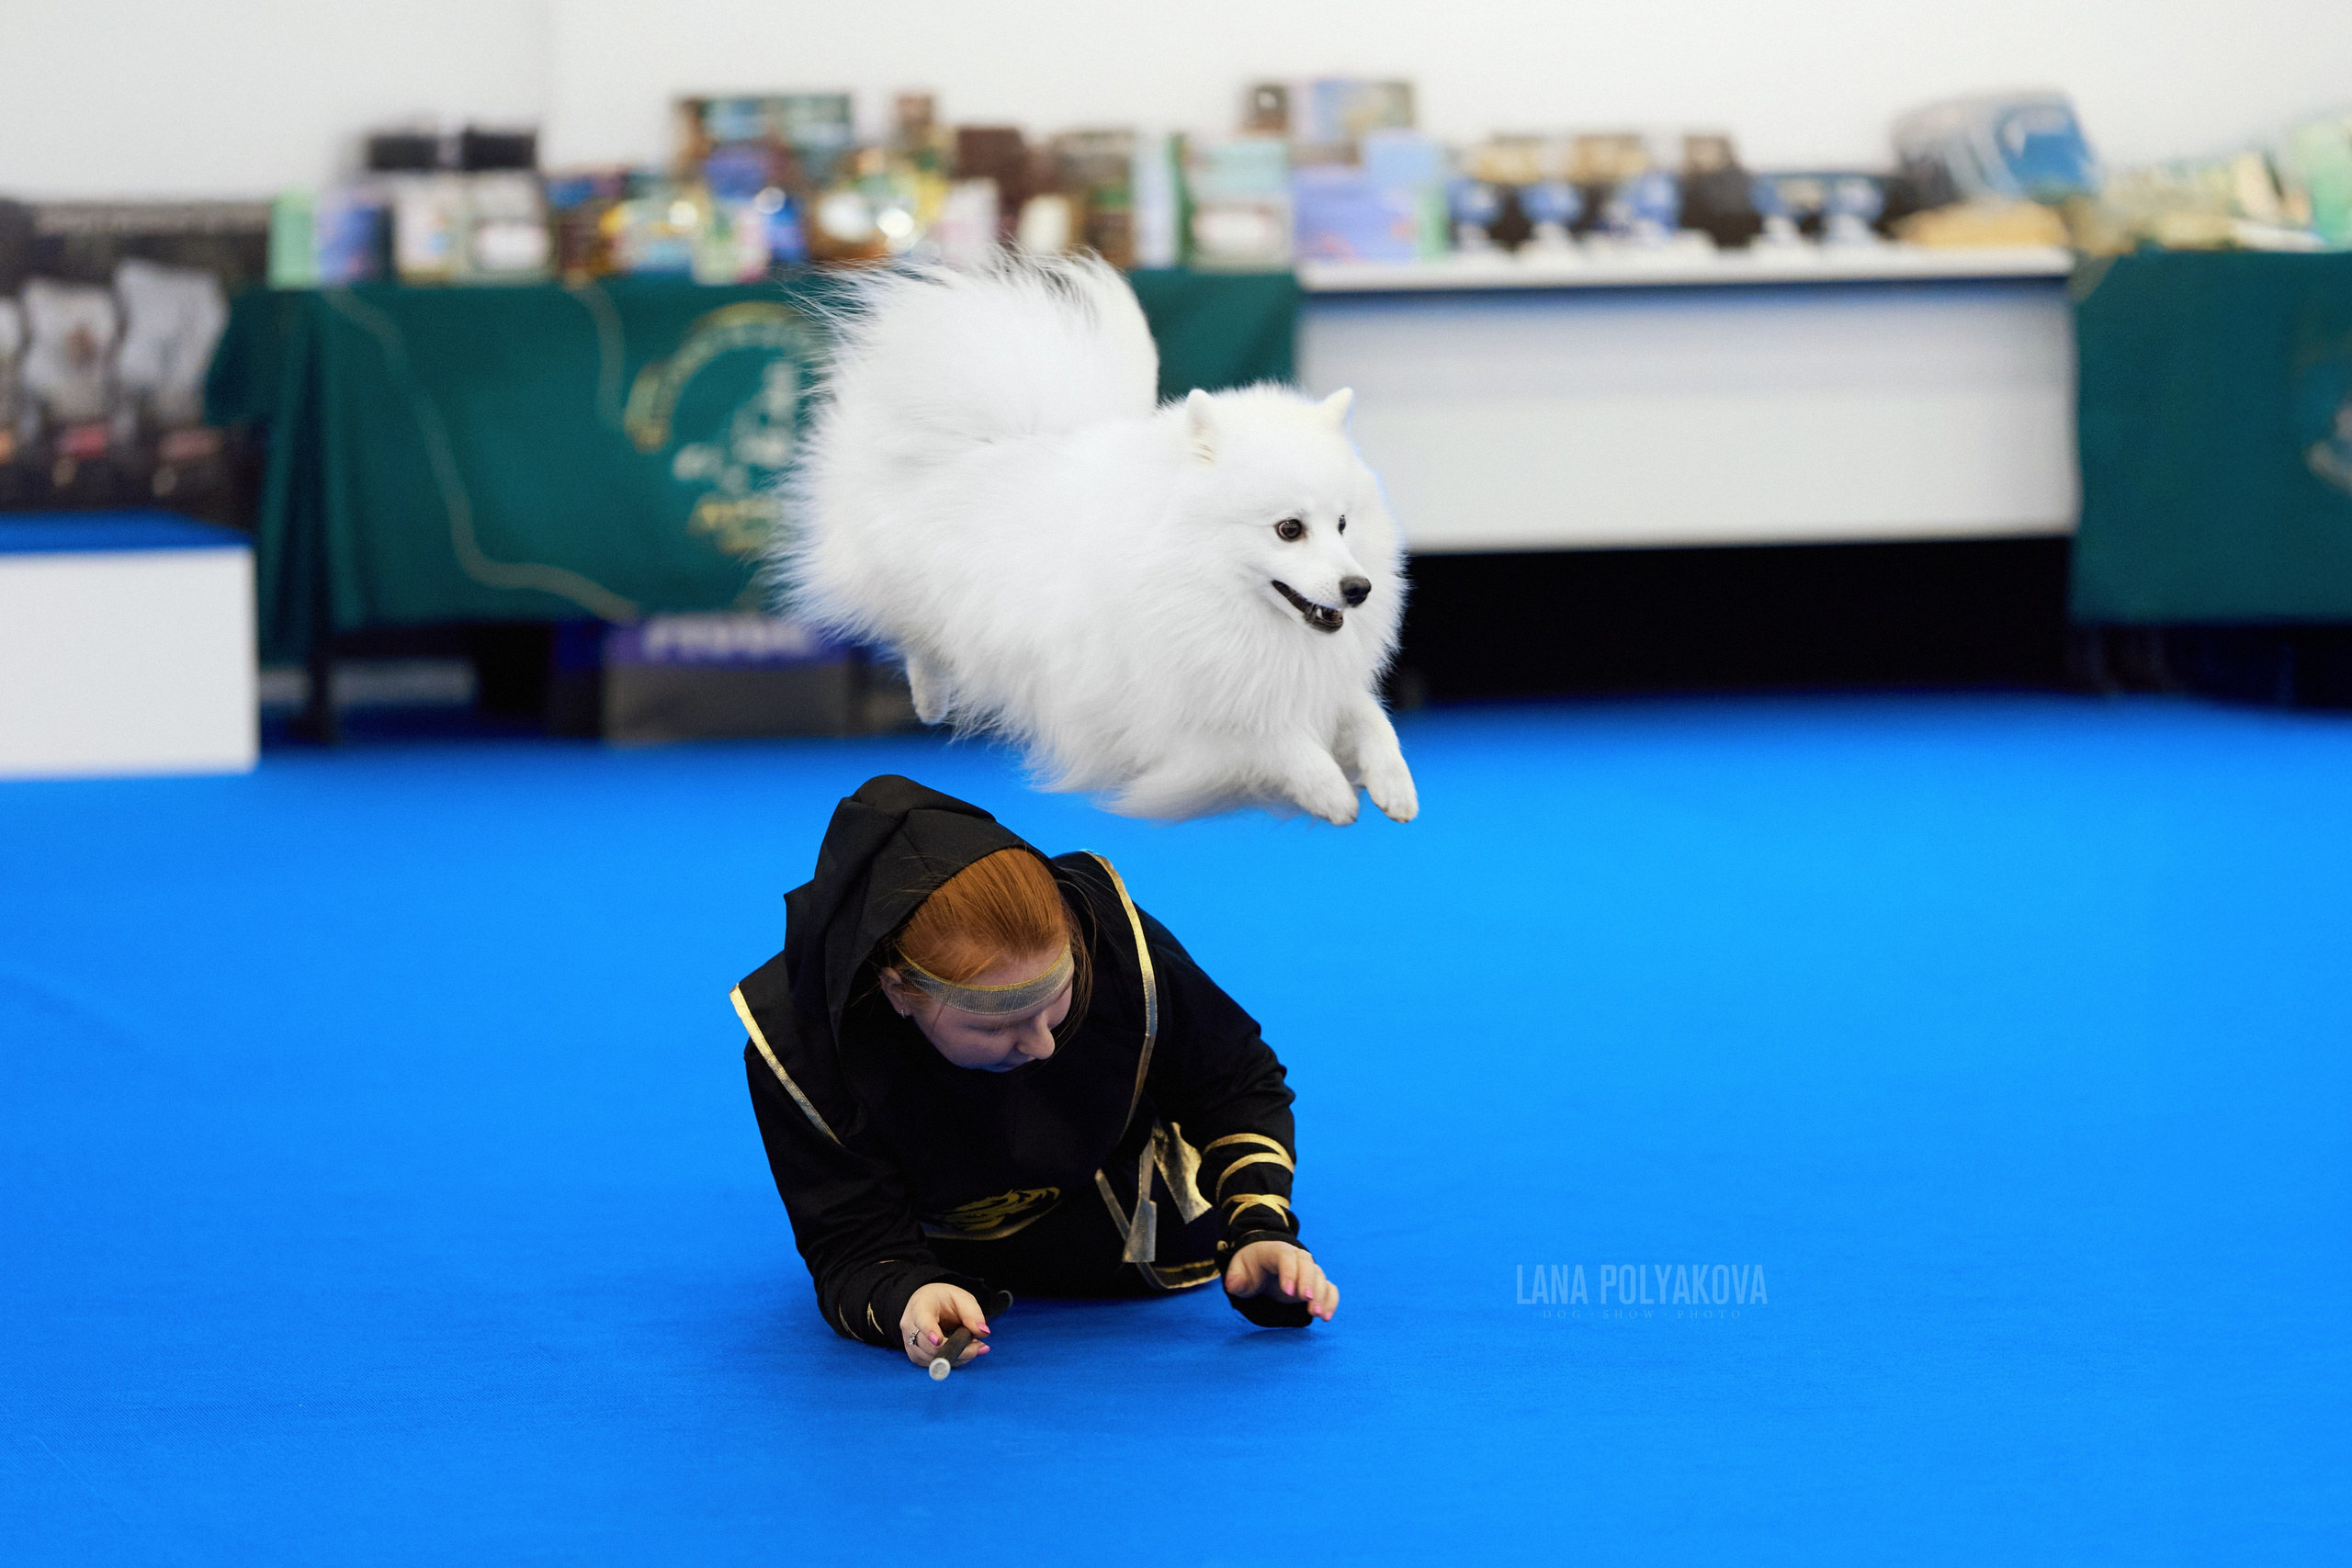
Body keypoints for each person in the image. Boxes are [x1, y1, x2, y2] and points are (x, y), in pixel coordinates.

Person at [736, 775, 1338, 1370]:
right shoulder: (801, 1048)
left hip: (1126, 1225)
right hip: (939, 1248)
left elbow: (1235, 1080)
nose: (1043, 1044)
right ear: (897, 991)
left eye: (1058, 999)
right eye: (996, 1026)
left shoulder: (1112, 942)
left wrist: (1260, 1226)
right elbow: (852, 1244)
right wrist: (905, 1295)